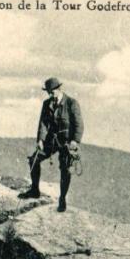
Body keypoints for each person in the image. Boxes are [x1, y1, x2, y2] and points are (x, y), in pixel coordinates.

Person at [18, 77, 84, 212]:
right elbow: (43, 123)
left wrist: (74, 141)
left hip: (66, 143)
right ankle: (34, 190)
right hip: (51, 141)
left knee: (65, 169)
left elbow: (79, 125)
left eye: (51, 92)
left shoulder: (72, 103)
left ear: (59, 89)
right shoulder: (46, 104)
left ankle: (62, 199)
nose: (49, 95)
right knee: (34, 159)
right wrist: (40, 140)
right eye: (48, 92)